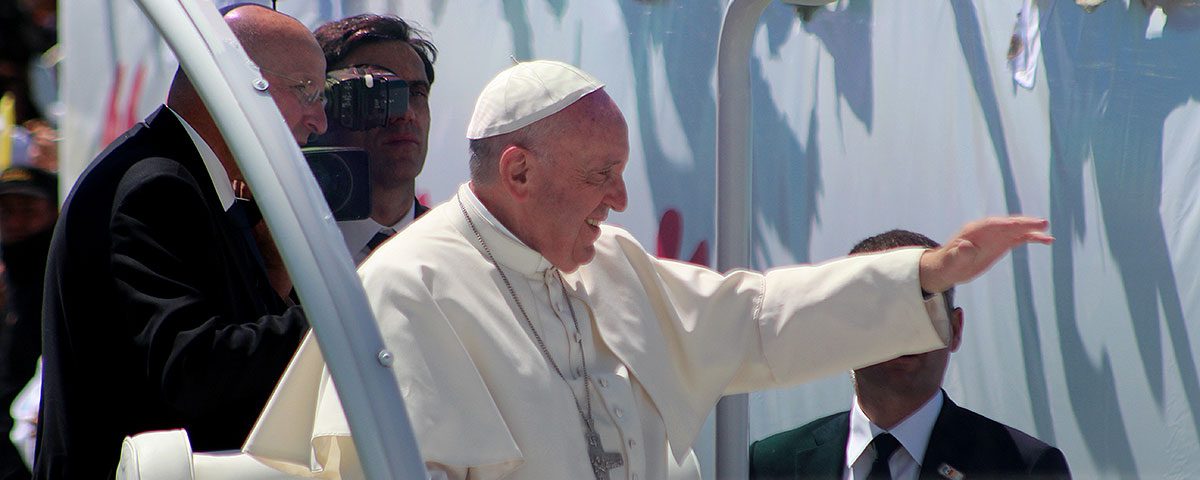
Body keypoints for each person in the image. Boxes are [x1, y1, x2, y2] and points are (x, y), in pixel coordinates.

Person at [243, 60, 1053, 479]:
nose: (621, 198)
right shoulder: (409, 285)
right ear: (518, 172)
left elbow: (758, 320)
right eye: (601, 174)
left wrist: (922, 275)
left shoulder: (609, 264)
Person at [35, 4, 326, 477]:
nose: (320, 120)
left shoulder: (184, 176)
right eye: (306, 90)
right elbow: (192, 370)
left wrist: (273, 277)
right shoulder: (156, 187)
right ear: (234, 82)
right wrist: (330, 319)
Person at [748, 229, 1071, 480]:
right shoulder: (769, 465)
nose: (905, 330)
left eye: (922, 307)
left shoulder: (1021, 467)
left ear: (955, 328)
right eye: (881, 310)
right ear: (841, 330)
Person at [314, 14, 437, 263]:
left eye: (416, 93)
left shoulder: (469, 253)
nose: (405, 114)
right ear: (323, 103)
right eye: (379, 91)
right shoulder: (281, 249)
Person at [0, 166, 56, 480]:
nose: (15, 222)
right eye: (6, 211)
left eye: (28, 211)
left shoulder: (56, 282)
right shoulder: (9, 280)